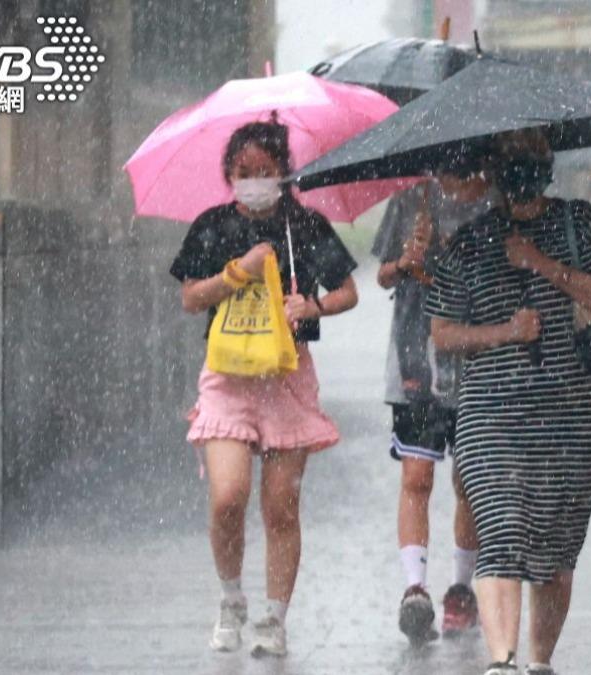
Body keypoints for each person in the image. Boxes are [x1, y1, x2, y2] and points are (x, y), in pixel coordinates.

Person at [425, 130, 591, 675]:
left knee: (556, 555)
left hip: (573, 415)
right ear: (491, 170)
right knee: (501, 532)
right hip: (492, 417)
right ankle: (502, 662)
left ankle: (539, 662)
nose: (521, 169)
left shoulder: (578, 222)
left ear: (548, 163)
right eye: (510, 159)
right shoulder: (467, 243)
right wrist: (504, 333)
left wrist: (542, 263)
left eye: (532, 157)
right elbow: (443, 334)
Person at [169, 119, 359, 658]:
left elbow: (347, 290)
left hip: (288, 376)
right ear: (229, 173)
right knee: (229, 496)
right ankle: (231, 598)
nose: (253, 180)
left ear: (284, 173)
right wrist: (238, 273)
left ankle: (274, 619)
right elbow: (190, 298)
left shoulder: (304, 226)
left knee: (282, 506)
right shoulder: (212, 226)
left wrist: (314, 305)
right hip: (227, 378)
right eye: (243, 171)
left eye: (265, 171)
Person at [372, 159, 498, 644]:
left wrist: (449, 264)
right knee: (416, 474)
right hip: (414, 359)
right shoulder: (412, 198)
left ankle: (462, 590)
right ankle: (414, 589)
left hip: (475, 362)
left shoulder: (497, 202)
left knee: (468, 479)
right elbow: (383, 274)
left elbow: (500, 278)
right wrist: (406, 261)